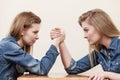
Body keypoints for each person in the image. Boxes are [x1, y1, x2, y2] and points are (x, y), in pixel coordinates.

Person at [50, 9, 120, 80]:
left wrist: (107, 74)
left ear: (100, 27)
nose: (84, 36)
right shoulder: (100, 52)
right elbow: (73, 68)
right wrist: (61, 41)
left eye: (86, 30)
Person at [0, 11, 63, 80]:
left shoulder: (11, 46)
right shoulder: (9, 47)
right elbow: (42, 69)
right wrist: (55, 43)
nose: (37, 37)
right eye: (35, 32)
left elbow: (35, 68)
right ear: (22, 31)